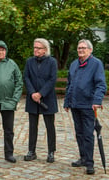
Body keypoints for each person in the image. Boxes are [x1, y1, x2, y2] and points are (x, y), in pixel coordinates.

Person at [64, 39, 107, 175]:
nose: (80, 50)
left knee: (88, 134)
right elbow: (69, 84)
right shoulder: (74, 64)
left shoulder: (96, 64)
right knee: (79, 133)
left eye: (83, 48)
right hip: (75, 104)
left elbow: (101, 84)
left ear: (90, 50)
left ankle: (89, 163)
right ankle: (83, 157)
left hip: (88, 105)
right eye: (78, 48)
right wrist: (67, 102)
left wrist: (97, 100)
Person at [23, 38, 58, 163]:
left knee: (50, 126)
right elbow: (26, 77)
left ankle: (51, 152)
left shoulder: (52, 62)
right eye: (34, 47)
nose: (35, 50)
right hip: (32, 99)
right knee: (33, 126)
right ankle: (31, 151)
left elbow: (52, 79)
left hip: (47, 98)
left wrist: (41, 93)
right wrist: (33, 93)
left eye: (38, 48)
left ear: (45, 49)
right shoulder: (29, 62)